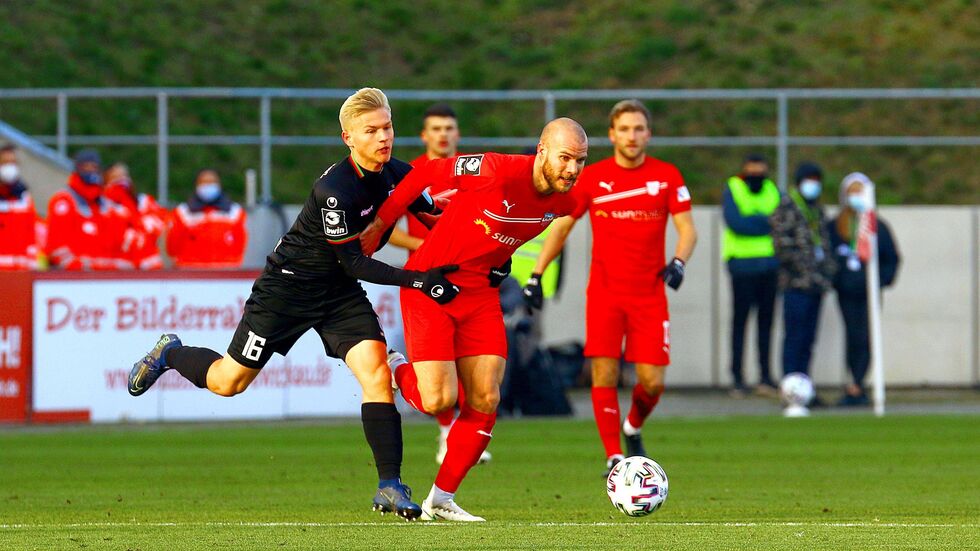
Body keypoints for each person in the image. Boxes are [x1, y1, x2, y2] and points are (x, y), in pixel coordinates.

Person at [127, 88, 457, 520]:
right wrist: (418, 281)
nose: (382, 137)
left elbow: (435, 213)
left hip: (337, 293)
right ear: (348, 138)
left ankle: (389, 485)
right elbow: (354, 261)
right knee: (229, 382)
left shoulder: (399, 172)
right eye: (370, 130)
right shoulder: (335, 189)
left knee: (376, 372)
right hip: (287, 289)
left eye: (387, 127)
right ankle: (171, 352)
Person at [359, 117, 589, 521]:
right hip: (432, 284)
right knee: (437, 400)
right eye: (565, 157)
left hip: (481, 294)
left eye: (581, 161)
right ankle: (394, 365)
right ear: (541, 151)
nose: (572, 169)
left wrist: (506, 264)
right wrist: (382, 222)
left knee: (486, 397)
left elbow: (506, 233)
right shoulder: (496, 169)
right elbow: (427, 172)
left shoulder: (566, 200)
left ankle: (441, 499)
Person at [524, 100, 697, 476]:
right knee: (604, 374)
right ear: (612, 134)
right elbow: (562, 227)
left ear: (648, 134)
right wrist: (536, 275)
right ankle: (614, 456)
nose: (631, 136)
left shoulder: (666, 176)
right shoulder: (593, 177)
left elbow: (687, 229)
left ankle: (633, 425)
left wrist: (679, 262)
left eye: (638, 129)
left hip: (649, 295)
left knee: (651, 383)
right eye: (624, 129)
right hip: (604, 295)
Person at [386, 103, 490, 466]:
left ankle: (458, 431)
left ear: (457, 134)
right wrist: (427, 245)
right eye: (436, 128)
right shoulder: (411, 171)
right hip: (424, 278)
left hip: (469, 277)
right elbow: (389, 229)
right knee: (436, 373)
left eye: (449, 128)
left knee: (471, 363)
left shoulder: (474, 171)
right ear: (424, 135)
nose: (443, 134)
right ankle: (447, 429)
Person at [827, 172, 900, 406]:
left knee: (867, 335)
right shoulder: (835, 227)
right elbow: (828, 258)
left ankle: (860, 382)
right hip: (847, 292)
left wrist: (880, 280)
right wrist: (837, 279)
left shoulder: (877, 227)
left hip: (869, 290)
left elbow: (891, 259)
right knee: (852, 334)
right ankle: (853, 382)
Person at [770, 162, 837, 390]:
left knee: (809, 341)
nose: (813, 185)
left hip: (816, 285)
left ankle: (804, 388)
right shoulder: (786, 208)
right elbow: (782, 247)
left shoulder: (818, 211)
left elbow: (825, 244)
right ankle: (790, 388)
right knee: (794, 338)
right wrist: (805, 268)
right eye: (809, 180)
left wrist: (826, 271)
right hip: (795, 285)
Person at [721, 154, 780, 397]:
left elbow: (778, 221)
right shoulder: (733, 187)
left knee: (766, 323)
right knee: (740, 322)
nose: (756, 176)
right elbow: (737, 223)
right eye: (752, 171)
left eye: (760, 170)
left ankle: (765, 376)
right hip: (742, 266)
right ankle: (737, 377)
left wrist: (755, 221)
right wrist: (763, 222)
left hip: (769, 265)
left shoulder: (772, 190)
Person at [46, 149, 132, 271]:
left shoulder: (105, 205)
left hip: (104, 279)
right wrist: (80, 267)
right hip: (73, 278)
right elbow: (56, 248)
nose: (90, 170)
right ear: (77, 169)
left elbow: (116, 245)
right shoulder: (64, 201)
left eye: (94, 167)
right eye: (85, 167)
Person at [166, 170, 247, 269]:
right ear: (197, 185)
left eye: (212, 182)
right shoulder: (182, 212)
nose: (208, 185)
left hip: (226, 273)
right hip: (191, 273)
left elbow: (240, 244)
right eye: (204, 182)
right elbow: (172, 247)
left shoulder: (235, 212)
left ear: (219, 185)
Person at [104, 163, 169, 270]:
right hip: (120, 267)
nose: (122, 180)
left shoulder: (144, 201)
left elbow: (161, 223)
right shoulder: (104, 206)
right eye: (116, 177)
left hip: (150, 265)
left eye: (125, 175)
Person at [0, 145, 41, 270]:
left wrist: (32, 264)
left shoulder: (24, 197)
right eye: (5, 162)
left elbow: (31, 234)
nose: (9, 167)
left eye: (13, 162)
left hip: (21, 272)